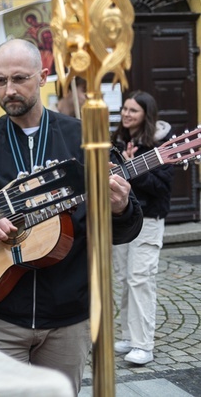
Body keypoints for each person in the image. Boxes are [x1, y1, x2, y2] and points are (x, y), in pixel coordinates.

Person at [0, 38, 143, 394]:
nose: (9, 90)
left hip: (69, 318)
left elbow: (127, 229)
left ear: (43, 76)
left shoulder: (83, 138)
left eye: (19, 78)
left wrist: (121, 207)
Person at [111, 91, 174, 365]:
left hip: (148, 220)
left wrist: (133, 169)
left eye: (133, 110)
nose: (126, 114)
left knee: (141, 278)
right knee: (125, 278)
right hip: (123, 220)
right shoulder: (117, 142)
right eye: (125, 109)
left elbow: (162, 188)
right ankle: (129, 336)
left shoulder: (160, 145)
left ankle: (143, 345)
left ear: (146, 114)